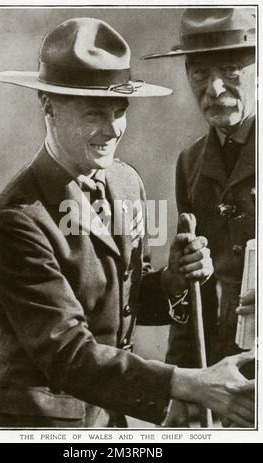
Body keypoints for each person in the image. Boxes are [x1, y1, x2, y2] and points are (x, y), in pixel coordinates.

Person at [0, 17, 254, 428]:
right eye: (95, 114)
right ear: (48, 107)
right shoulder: (16, 221)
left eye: (119, 111)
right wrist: (186, 385)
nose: (112, 131)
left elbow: (130, 298)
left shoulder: (125, 183)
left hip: (109, 420)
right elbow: (68, 352)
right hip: (42, 425)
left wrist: (174, 281)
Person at [142, 8, 256, 426]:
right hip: (227, 376)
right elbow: (191, 286)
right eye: (200, 73)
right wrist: (184, 385)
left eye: (230, 70)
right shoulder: (191, 163)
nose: (215, 88)